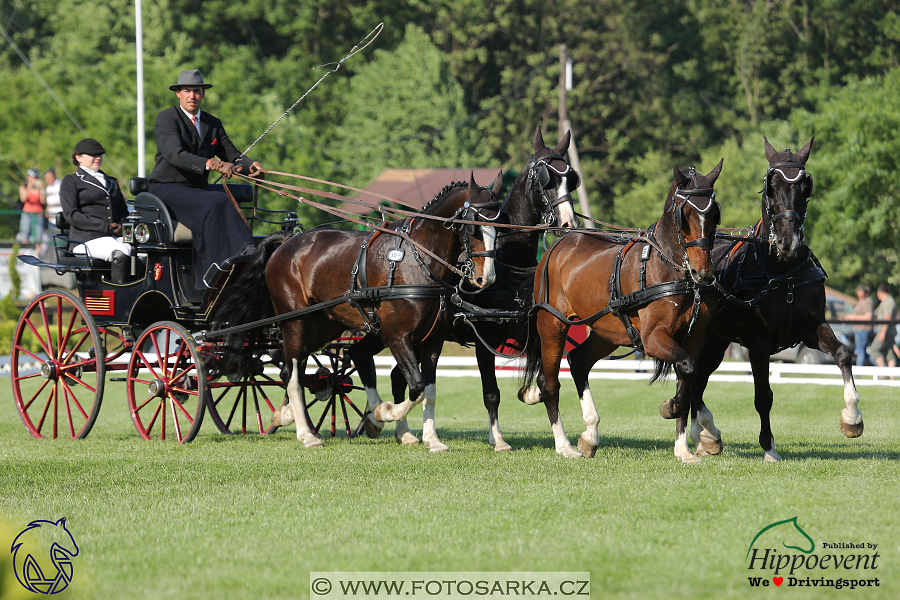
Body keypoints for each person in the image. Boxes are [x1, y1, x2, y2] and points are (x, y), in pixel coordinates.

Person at [148, 68, 263, 288]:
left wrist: (251, 166)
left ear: (203, 94)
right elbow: (174, 154)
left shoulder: (212, 123)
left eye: (197, 91)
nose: (192, 96)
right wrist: (209, 163)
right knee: (215, 201)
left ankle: (247, 253)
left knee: (228, 198)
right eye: (187, 91)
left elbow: (232, 154)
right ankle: (213, 275)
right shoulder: (167, 118)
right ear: (178, 93)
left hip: (196, 189)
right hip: (167, 187)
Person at [59, 138, 131, 281]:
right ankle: (121, 296)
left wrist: (121, 227)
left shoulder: (111, 181)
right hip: (85, 240)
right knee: (122, 252)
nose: (97, 158)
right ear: (78, 157)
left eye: (99, 155)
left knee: (142, 251)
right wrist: (106, 228)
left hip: (113, 237)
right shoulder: (72, 181)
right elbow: (71, 214)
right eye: (93, 155)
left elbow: (123, 211)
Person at [869, 284, 898, 369]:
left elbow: (887, 318)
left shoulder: (888, 302)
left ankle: (883, 373)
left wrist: (882, 332)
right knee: (890, 353)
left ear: (879, 293)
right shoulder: (888, 301)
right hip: (889, 331)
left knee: (874, 350)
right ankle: (892, 376)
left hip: (886, 331)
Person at [16, 168, 45, 245]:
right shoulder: (23, 187)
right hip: (27, 214)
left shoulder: (40, 187)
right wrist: (29, 187)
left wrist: (42, 189)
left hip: (38, 214)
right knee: (24, 237)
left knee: (38, 239)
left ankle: (38, 255)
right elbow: (23, 199)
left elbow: (43, 201)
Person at [848, 284, 874, 367]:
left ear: (866, 294)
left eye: (861, 296)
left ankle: (857, 373)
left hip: (863, 329)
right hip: (860, 329)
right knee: (863, 352)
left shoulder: (867, 302)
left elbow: (868, 317)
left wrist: (853, 317)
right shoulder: (864, 301)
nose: (860, 298)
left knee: (860, 352)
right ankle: (882, 367)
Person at [42, 168, 62, 254]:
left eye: (49, 177)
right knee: (51, 242)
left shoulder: (60, 185)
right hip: (51, 220)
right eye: (46, 178)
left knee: (59, 243)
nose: (48, 180)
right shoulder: (48, 188)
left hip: (60, 219)